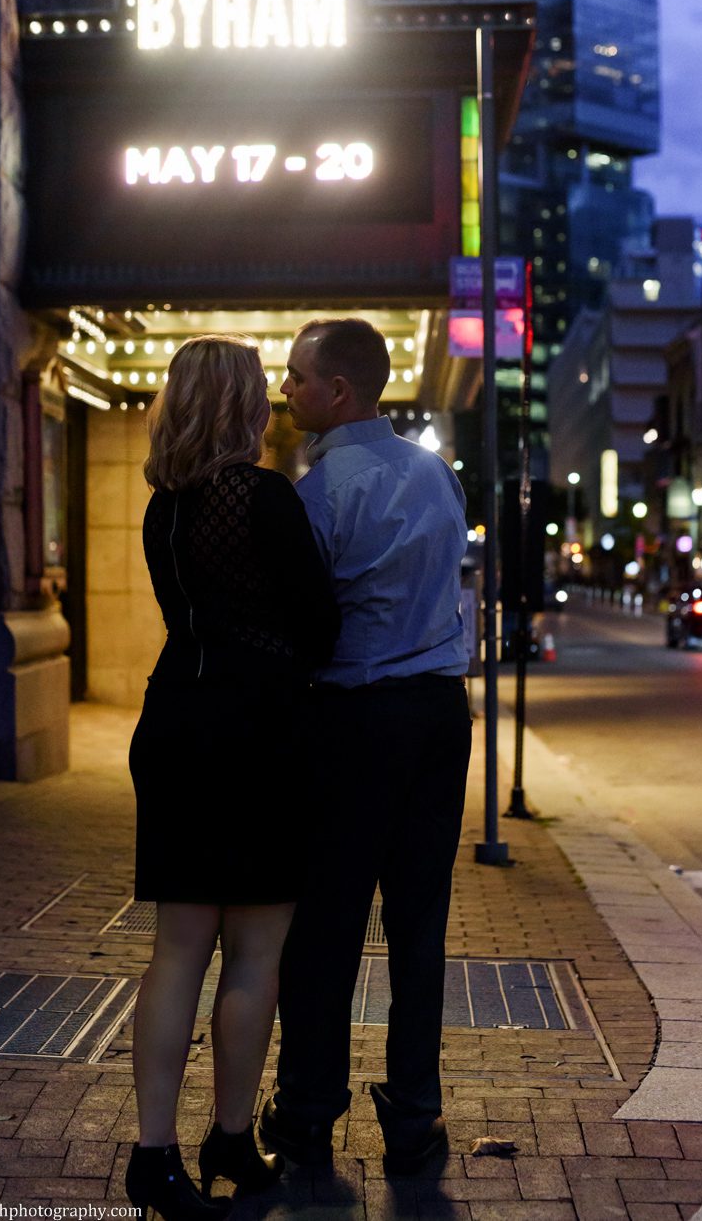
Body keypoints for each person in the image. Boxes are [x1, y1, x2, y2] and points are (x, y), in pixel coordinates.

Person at [126, 336, 340, 1221]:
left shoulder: (162, 508)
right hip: (260, 734)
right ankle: (229, 1138)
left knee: (178, 949)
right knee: (255, 954)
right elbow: (319, 623)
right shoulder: (265, 497)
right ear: (243, 406)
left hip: (176, 723)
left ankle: (155, 1154)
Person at [260, 317, 473, 1177]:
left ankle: (310, 1110)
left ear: (337, 392)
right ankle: (414, 1117)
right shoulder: (436, 476)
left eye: (296, 378)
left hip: (354, 719)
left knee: (328, 921)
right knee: (419, 923)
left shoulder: (319, 493)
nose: (285, 391)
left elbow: (302, 622)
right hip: (439, 716)